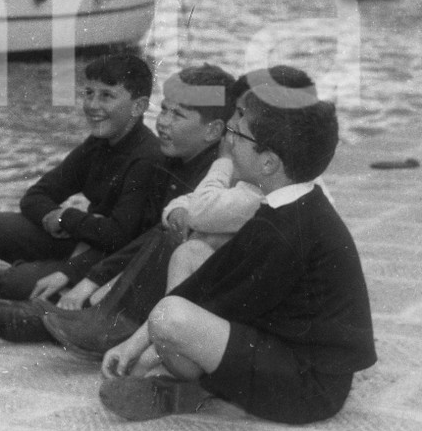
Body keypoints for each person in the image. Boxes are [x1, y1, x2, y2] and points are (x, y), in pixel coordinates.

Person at [98, 71, 376, 424]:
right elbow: (209, 280)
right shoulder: (288, 206)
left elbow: (203, 301)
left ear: (269, 163)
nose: (228, 143)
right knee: (191, 255)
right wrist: (134, 345)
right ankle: (195, 378)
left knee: (170, 317)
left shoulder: (286, 231)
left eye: (237, 135)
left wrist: (143, 353)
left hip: (308, 388)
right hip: (288, 350)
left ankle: (193, 386)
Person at [41, 66, 310, 355]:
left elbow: (202, 210)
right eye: (164, 110)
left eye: (241, 115)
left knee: (184, 240)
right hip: (176, 279)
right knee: (176, 234)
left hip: (238, 305)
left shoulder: (248, 176)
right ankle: (108, 319)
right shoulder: (254, 169)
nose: (163, 123)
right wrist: (178, 211)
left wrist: (222, 163)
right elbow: (184, 206)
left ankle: (117, 327)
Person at [0, 63, 238, 343]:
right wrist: (78, 272)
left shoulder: (217, 178)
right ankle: (63, 314)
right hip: (143, 260)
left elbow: (153, 238)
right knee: (78, 285)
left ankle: (57, 324)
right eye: (163, 109)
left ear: (212, 131)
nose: (162, 122)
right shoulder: (171, 164)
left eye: (178, 115)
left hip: (198, 283)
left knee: (98, 290)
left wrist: (87, 278)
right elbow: (136, 234)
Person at [0, 53, 165, 302]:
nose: (92, 105)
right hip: (85, 239)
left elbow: (120, 238)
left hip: (110, 261)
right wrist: (59, 218)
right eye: (89, 93)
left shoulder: (147, 157)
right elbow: (36, 196)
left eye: (107, 96)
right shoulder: (98, 143)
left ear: (138, 106)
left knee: (19, 284)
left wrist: (66, 220)